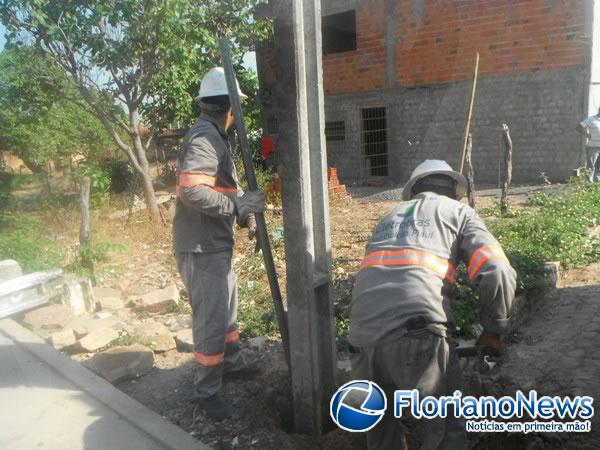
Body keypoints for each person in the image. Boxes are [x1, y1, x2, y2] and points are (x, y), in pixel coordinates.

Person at [348, 160, 517, 450]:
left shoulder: (387, 219)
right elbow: (498, 271)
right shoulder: (459, 213)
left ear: (414, 190)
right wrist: (493, 329)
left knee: (379, 430)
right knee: (446, 429)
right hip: (418, 337)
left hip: (360, 340)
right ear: (453, 190)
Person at [173, 67, 264, 421]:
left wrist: (246, 215)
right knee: (211, 321)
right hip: (201, 246)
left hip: (212, 243)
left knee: (227, 312)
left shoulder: (216, 137)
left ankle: (233, 363)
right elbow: (192, 190)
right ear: (230, 107)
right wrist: (236, 207)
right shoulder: (205, 139)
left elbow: (225, 189)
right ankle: (207, 391)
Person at [576, 107, 600, 182]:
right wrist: (587, 135)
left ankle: (597, 183)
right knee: (591, 166)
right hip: (593, 147)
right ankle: (589, 184)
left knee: (598, 167)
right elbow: (578, 127)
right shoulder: (591, 119)